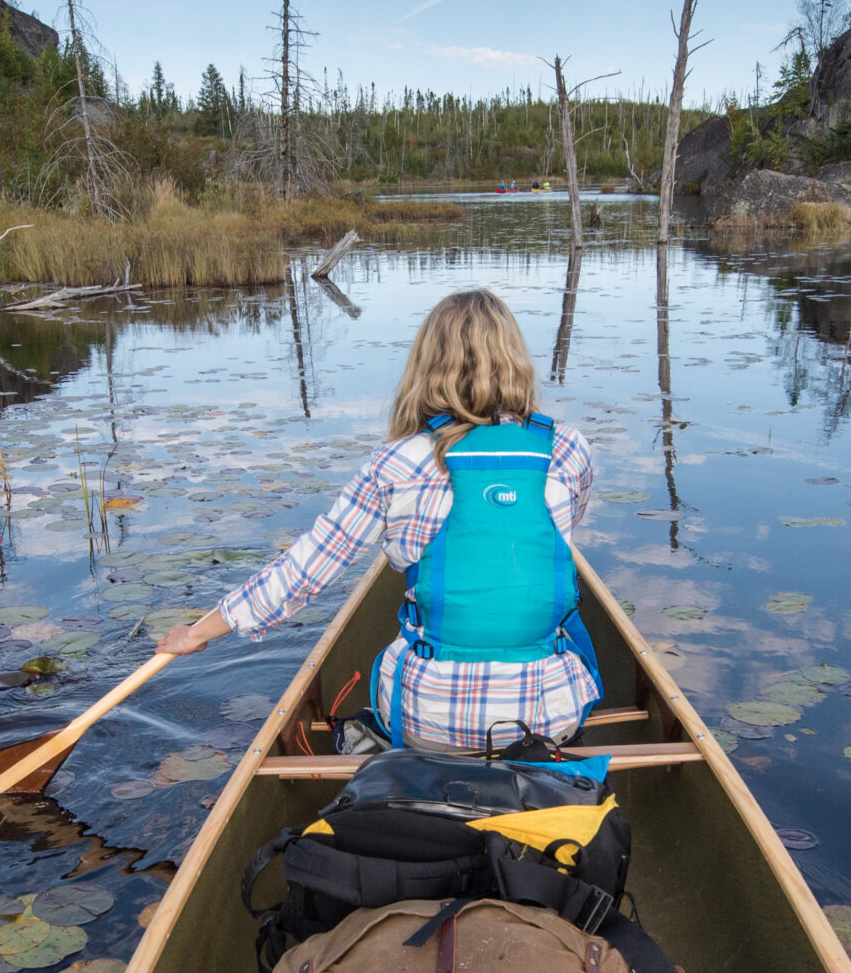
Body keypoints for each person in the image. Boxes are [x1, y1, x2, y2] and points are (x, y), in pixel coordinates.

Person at [158, 289, 598, 752]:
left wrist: (196, 633)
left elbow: (303, 570)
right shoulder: (568, 448)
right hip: (550, 719)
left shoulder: (396, 462)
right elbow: (559, 531)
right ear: (514, 359)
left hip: (427, 723)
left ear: (427, 365)